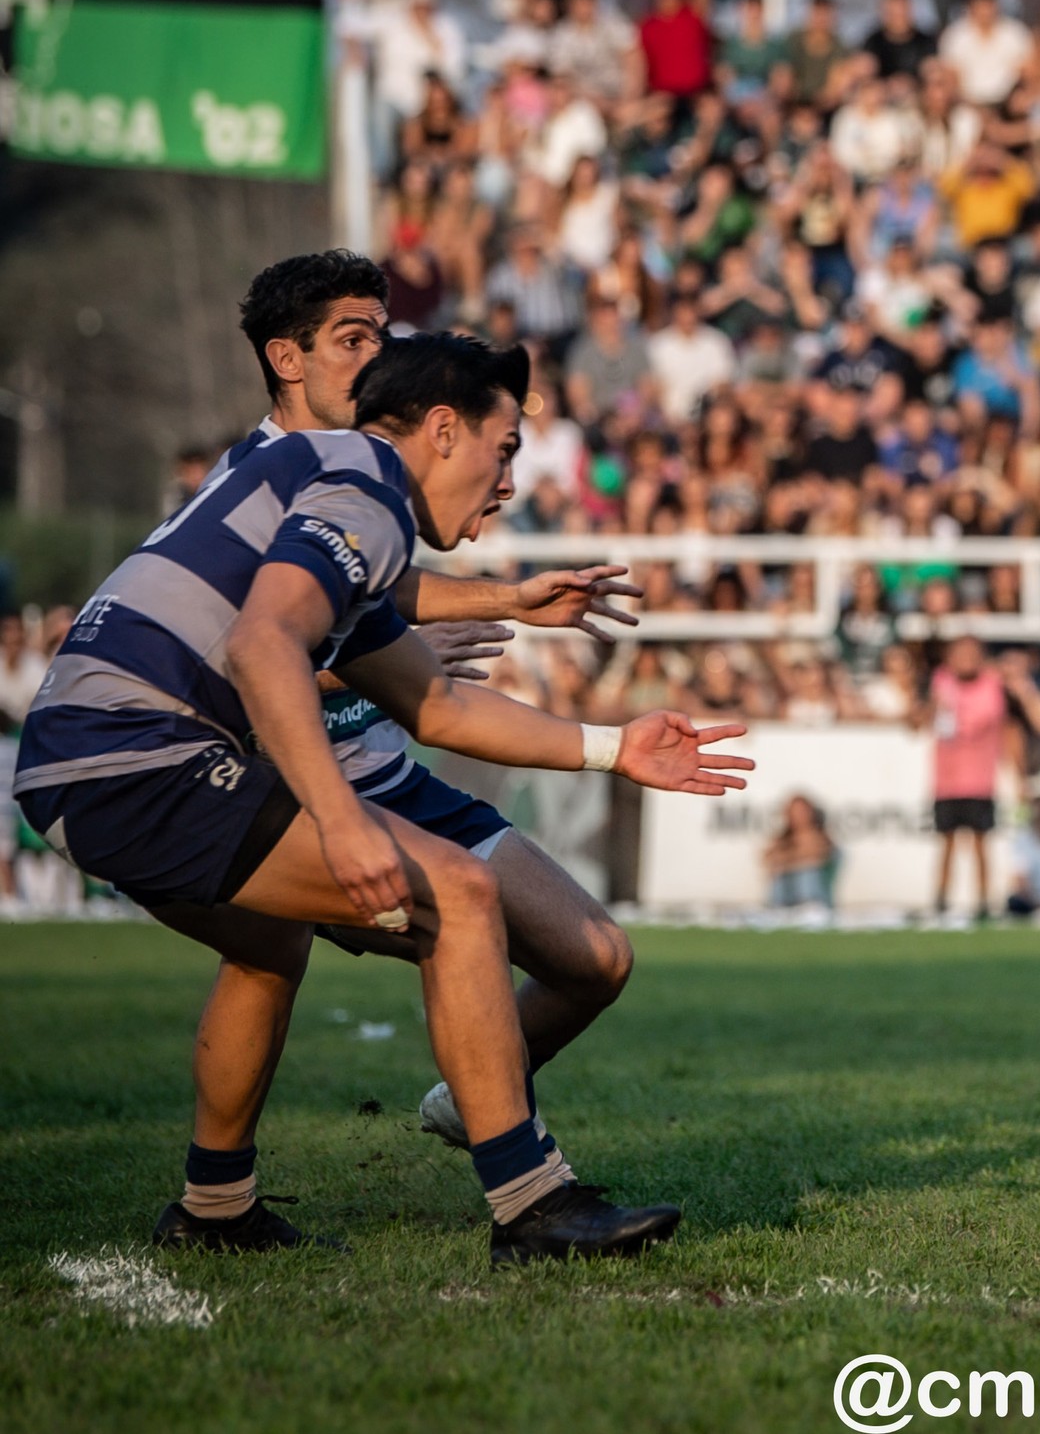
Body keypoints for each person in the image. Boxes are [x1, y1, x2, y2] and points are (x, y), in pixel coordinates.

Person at [10, 333, 752, 1261]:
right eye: (505, 447)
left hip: (92, 756)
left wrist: (613, 747)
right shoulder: (361, 477)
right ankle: (533, 1207)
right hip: (131, 756)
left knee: (269, 942)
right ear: (443, 430)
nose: (508, 480)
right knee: (458, 893)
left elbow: (434, 704)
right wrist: (338, 816)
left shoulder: (335, 487)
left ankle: (214, 1209)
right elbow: (263, 646)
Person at [218, 254, 662, 1152]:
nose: (376, 351)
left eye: (382, 333)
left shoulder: (362, 472)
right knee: (278, 958)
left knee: (597, 959)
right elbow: (244, 654)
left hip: (383, 773)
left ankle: (471, 1106)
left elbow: (374, 595)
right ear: (287, 359)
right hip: (291, 787)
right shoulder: (257, 479)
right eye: (353, 336)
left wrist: (504, 600)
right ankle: (522, 1184)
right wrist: (379, 668)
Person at [920, 634, 1006, 919]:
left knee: (981, 843)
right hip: (947, 780)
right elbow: (930, 720)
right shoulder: (941, 682)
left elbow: (979, 722)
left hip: (979, 780)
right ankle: (941, 898)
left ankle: (983, 900)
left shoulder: (990, 684)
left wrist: (952, 712)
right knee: (946, 843)